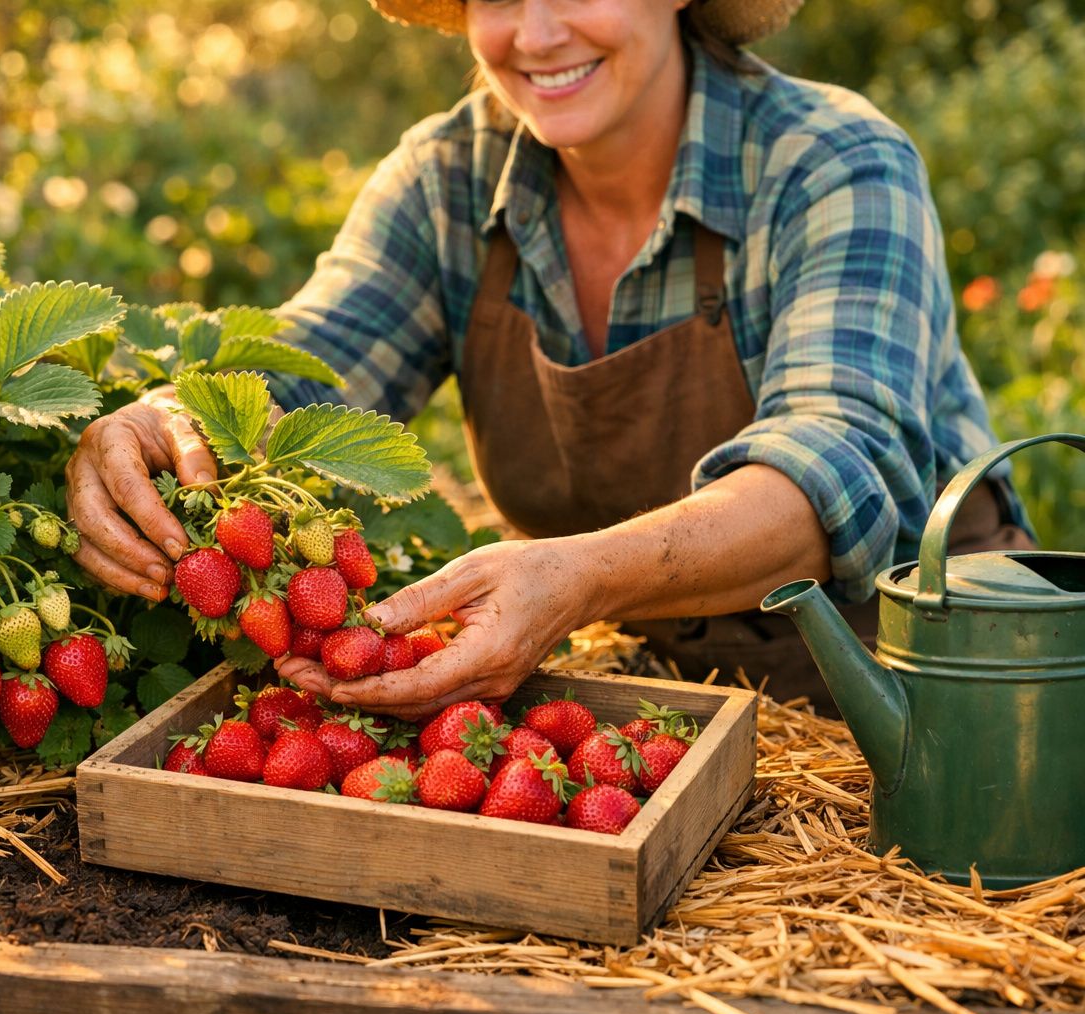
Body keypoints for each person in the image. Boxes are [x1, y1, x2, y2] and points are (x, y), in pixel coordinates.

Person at [65, 0, 1032, 719]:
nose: (534, 34)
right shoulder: (448, 179)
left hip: (932, 695)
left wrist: (580, 578)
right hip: (665, 707)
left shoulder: (833, 163)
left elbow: (833, 471)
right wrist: (167, 422)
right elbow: (304, 369)